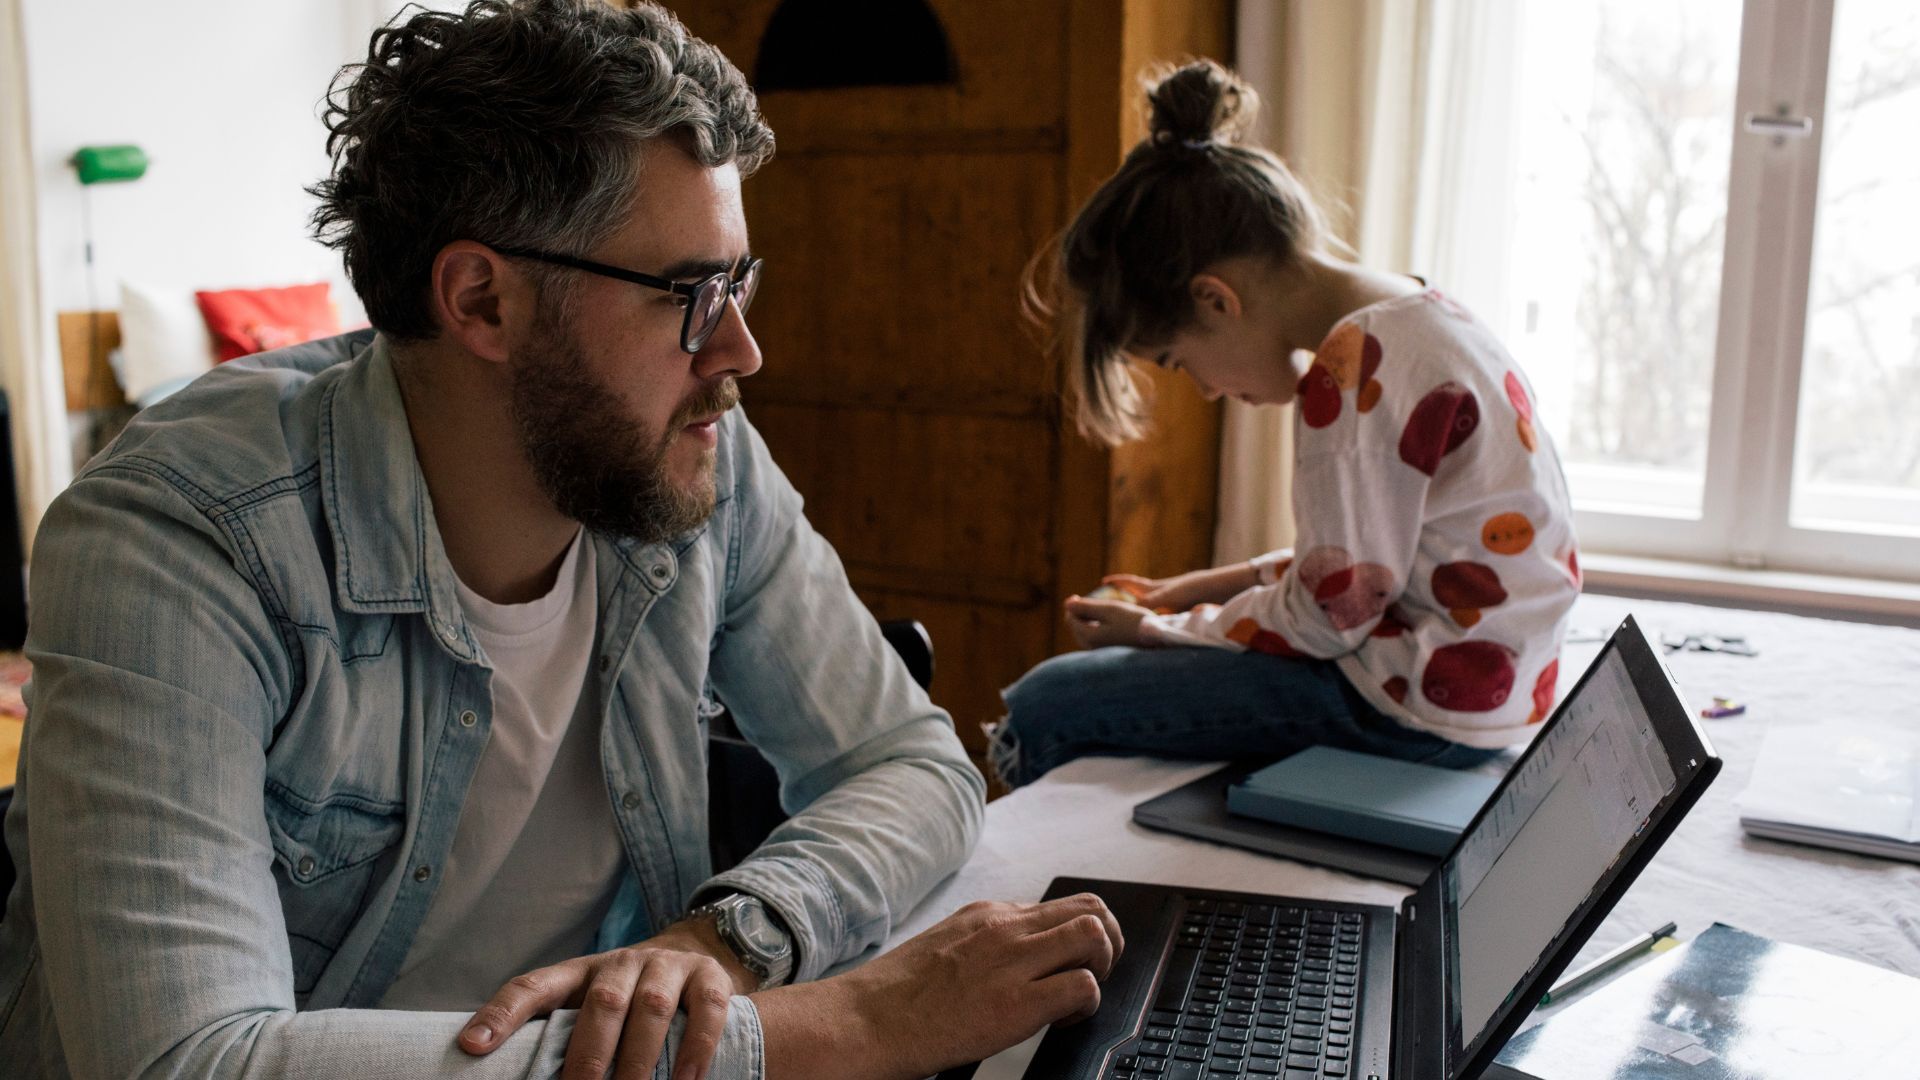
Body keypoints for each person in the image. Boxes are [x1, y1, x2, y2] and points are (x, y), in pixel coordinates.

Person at [0, 3, 1121, 1077]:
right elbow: (181, 1061)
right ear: (482, 301)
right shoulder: (178, 539)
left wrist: (725, 948)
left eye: (739, 283)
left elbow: (910, 764)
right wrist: (839, 1029)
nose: (740, 351)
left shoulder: (694, 461)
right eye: (689, 292)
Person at [990, 59, 1579, 789]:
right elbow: (1369, 561)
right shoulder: (1422, 315)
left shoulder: (1351, 369)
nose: (1205, 391)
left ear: (1215, 300)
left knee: (1051, 700)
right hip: (1501, 690)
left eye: (1178, 363)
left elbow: (1328, 620)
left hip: (1419, 709)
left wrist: (1159, 631)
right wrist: (1199, 588)